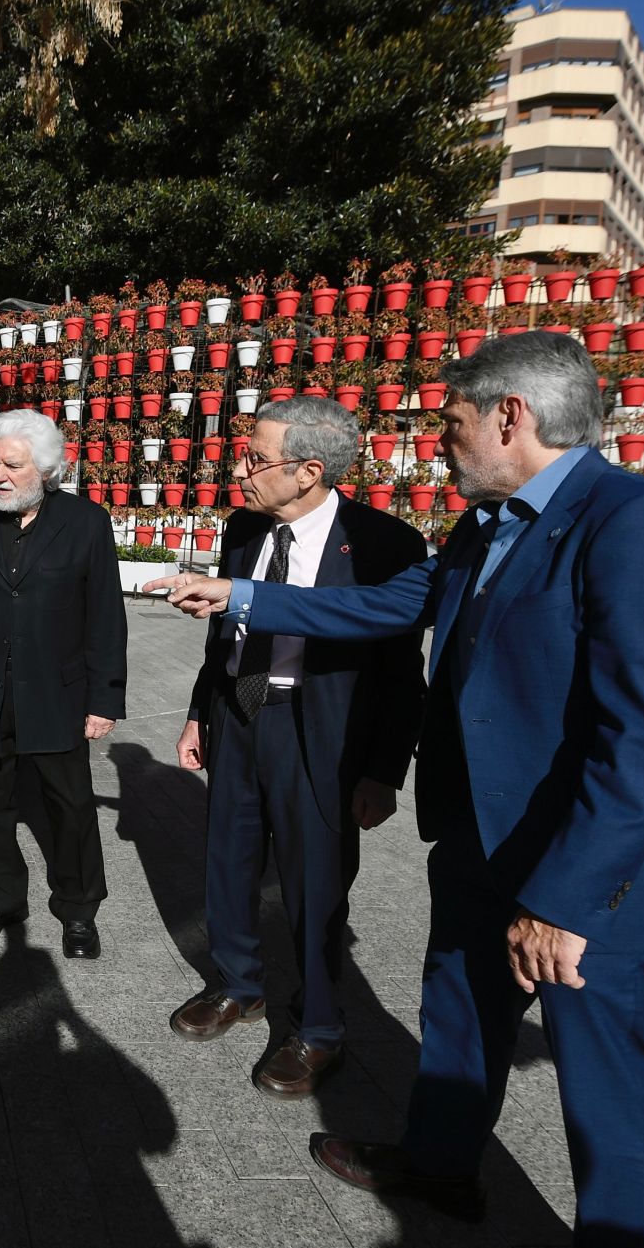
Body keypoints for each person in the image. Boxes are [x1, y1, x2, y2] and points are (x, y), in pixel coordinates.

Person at [148, 330, 644, 1244]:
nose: (440, 441)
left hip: (599, 876)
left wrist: (567, 900)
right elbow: (390, 605)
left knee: (609, 1089)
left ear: (510, 416)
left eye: (453, 421)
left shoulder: (642, 525)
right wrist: (240, 597)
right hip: (483, 846)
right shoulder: (486, 525)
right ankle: (439, 1166)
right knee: (460, 1018)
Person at [167, 397, 426, 1099]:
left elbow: (404, 674)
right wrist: (201, 711)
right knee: (227, 858)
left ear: (310, 470)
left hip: (323, 734)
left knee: (315, 887)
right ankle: (237, 983)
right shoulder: (245, 527)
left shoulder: (384, 546)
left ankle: (319, 1027)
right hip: (240, 717)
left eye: (256, 456)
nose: (240, 466)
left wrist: (382, 771)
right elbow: (227, 635)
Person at [0, 409, 126, 959]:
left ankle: (78, 910)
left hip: (58, 693)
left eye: (13, 464)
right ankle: (4, 897)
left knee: (70, 805)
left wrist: (104, 698)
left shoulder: (85, 522)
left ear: (46, 469)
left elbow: (106, 617)